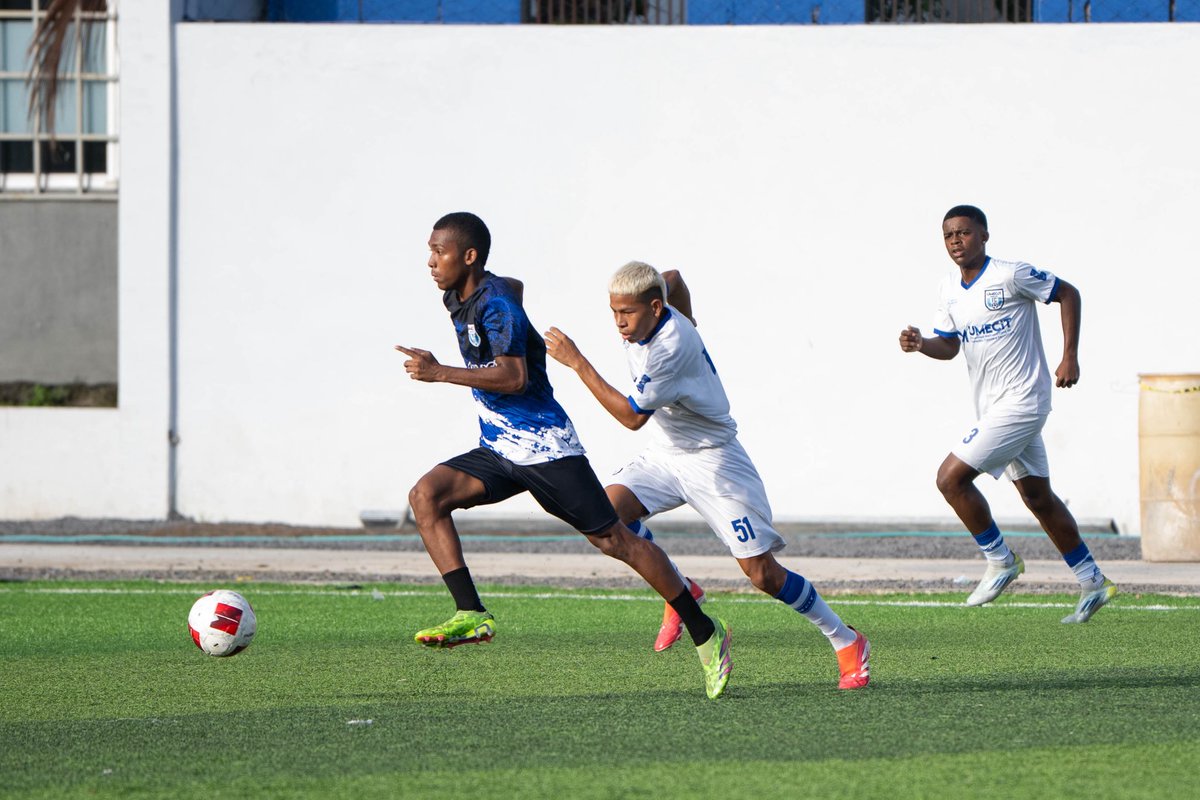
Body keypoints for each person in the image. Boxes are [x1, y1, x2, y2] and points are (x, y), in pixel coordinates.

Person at [396, 212, 732, 699]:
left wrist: (440, 371)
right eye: (430, 251)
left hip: (546, 448)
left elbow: (515, 378)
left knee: (614, 540)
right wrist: (506, 298)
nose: (430, 262)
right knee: (426, 496)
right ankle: (471, 613)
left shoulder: (496, 308)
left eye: (438, 252)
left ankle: (704, 629)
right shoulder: (461, 296)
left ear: (468, 257)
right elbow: (514, 284)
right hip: (500, 447)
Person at [543, 261, 870, 690]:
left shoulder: (668, 351)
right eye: (614, 312)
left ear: (655, 308)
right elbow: (673, 277)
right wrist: (689, 314)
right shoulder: (657, 311)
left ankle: (846, 640)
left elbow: (631, 417)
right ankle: (681, 588)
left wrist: (577, 362)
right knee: (605, 519)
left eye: (628, 313)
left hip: (715, 461)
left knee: (763, 574)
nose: (619, 322)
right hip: (665, 455)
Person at [899, 204, 1117, 623]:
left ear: (984, 235)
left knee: (949, 478)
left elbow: (1068, 293)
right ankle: (1093, 581)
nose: (956, 241)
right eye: (948, 235)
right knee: (1037, 497)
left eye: (964, 232)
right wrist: (922, 343)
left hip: (1024, 400)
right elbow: (950, 345)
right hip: (994, 407)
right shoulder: (949, 289)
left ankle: (1000, 559)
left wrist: (1069, 356)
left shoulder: (1010, 274)